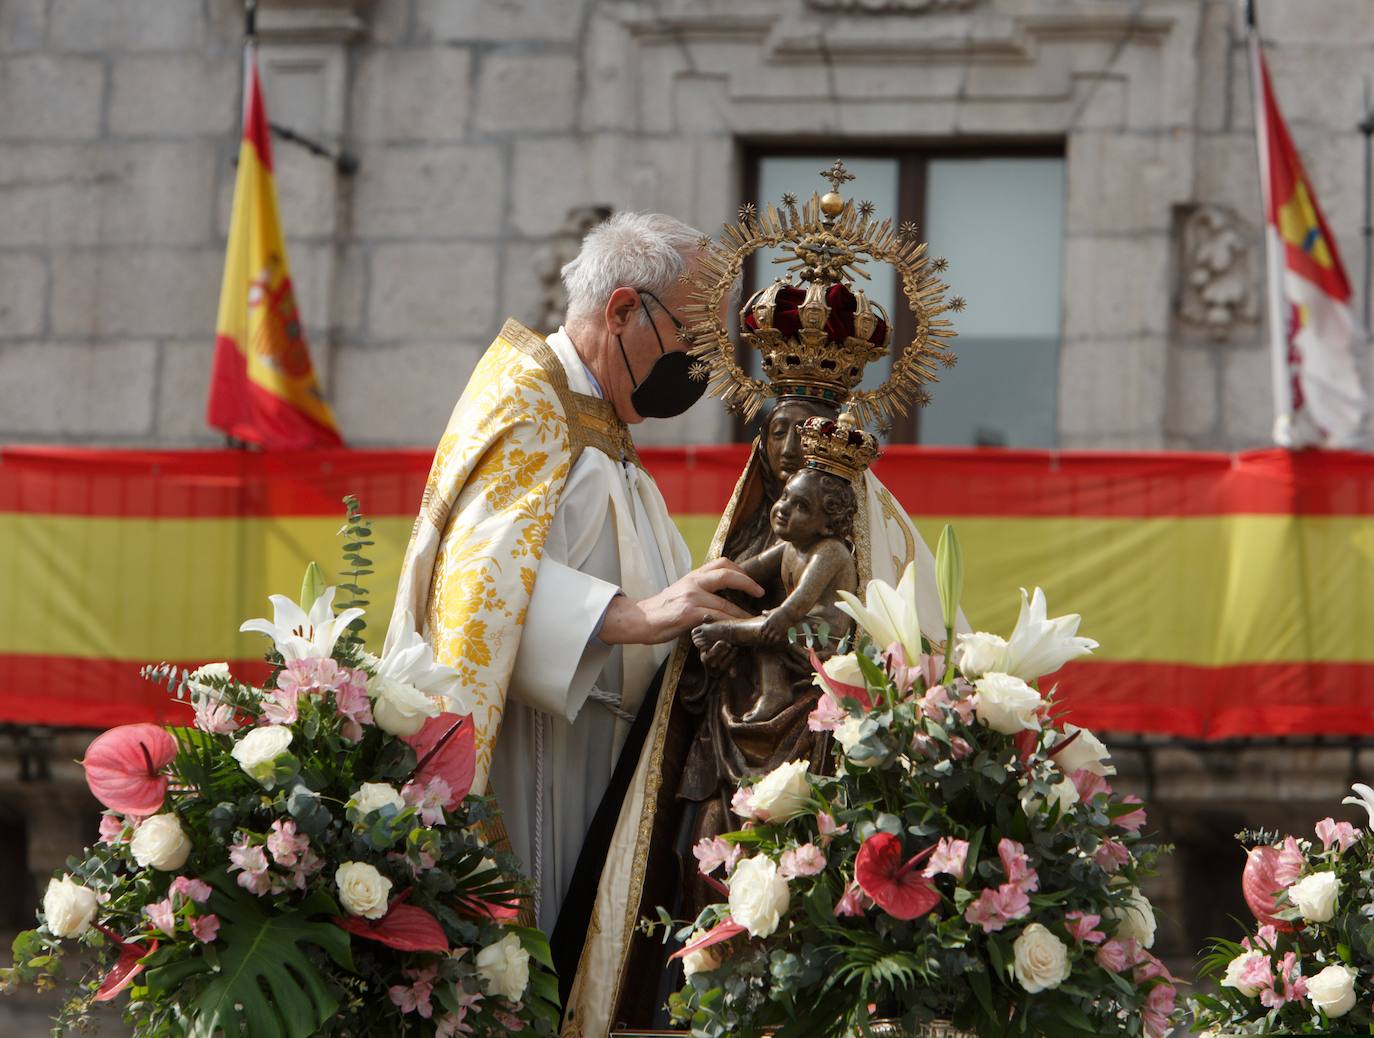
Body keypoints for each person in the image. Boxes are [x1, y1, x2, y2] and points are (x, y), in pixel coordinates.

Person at [384, 212, 764, 940]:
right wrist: (641, 618)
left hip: (612, 756)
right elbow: (477, 592)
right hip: (543, 759)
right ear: (623, 310)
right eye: (694, 336)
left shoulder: (602, 418)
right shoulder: (533, 400)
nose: (703, 366)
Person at [692, 465, 857, 724]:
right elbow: (752, 568)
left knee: (769, 628)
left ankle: (725, 630)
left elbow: (803, 597)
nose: (783, 508)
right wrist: (715, 581)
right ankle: (774, 691)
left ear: (828, 524)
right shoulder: (791, 546)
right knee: (768, 634)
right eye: (785, 496)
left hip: (822, 635)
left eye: (801, 506)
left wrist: (783, 615)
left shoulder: (830, 551)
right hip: (796, 625)